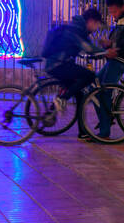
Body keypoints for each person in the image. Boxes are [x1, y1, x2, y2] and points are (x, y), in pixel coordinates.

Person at [41, 7, 106, 141]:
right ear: (91, 21)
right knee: (89, 76)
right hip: (58, 64)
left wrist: (99, 52)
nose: (96, 28)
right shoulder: (77, 30)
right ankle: (61, 99)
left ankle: (82, 132)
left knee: (80, 94)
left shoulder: (78, 28)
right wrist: (105, 53)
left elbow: (85, 49)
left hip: (59, 64)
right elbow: (88, 48)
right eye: (97, 25)